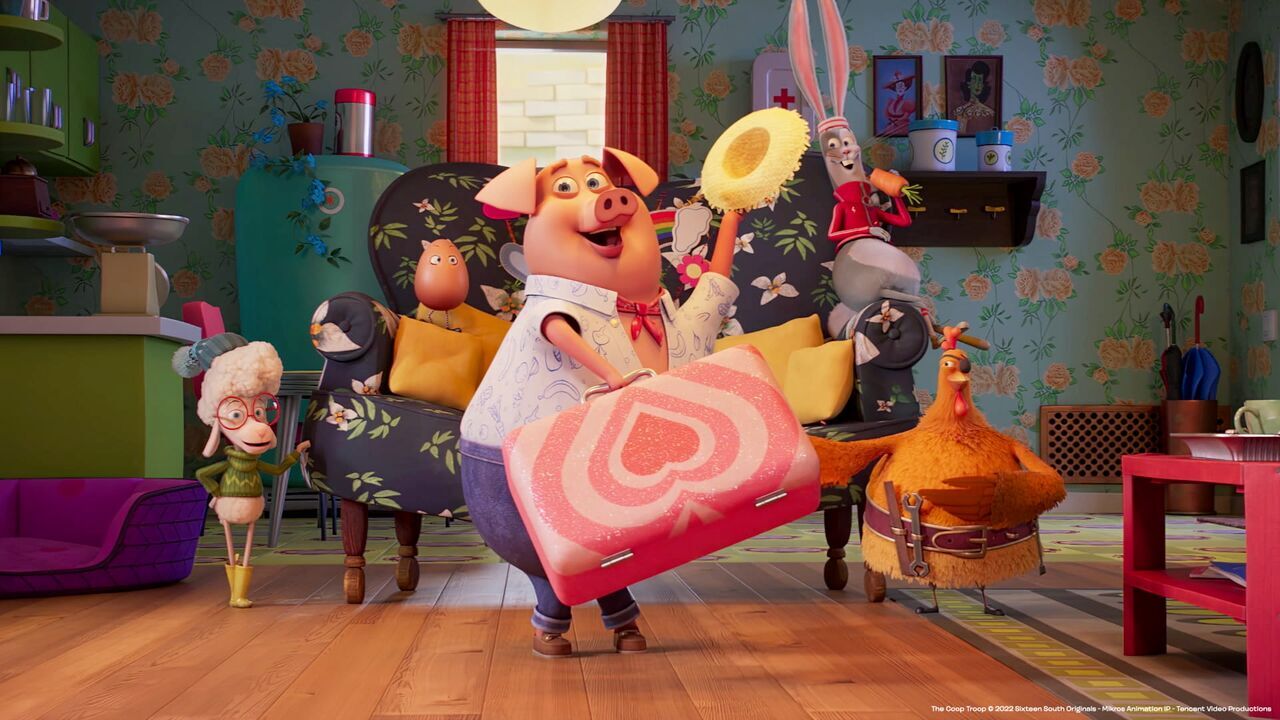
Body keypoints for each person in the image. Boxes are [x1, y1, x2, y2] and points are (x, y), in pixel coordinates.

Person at [951, 61, 996, 135]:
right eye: (974, 79)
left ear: (983, 85)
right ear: (968, 83)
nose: (977, 84)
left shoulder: (988, 113)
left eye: (980, 80)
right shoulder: (958, 111)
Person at [881, 70, 917, 136]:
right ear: (895, 89)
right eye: (897, 86)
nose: (900, 88)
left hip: (904, 130)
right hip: (890, 131)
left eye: (901, 86)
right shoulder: (890, 102)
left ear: (905, 87)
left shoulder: (908, 103)